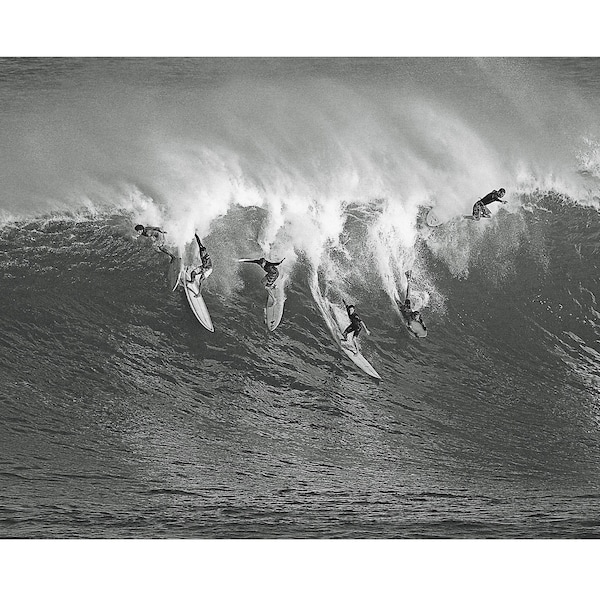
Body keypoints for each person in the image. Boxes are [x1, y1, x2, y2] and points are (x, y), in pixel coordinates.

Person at [400, 270, 427, 337]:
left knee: (408, 295)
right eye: (416, 318)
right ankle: (408, 279)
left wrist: (424, 327)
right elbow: (409, 327)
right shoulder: (410, 318)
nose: (417, 319)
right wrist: (415, 333)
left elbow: (422, 322)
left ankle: (409, 279)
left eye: (417, 318)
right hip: (405, 309)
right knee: (405, 297)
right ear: (413, 316)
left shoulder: (418, 316)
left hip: (408, 309)